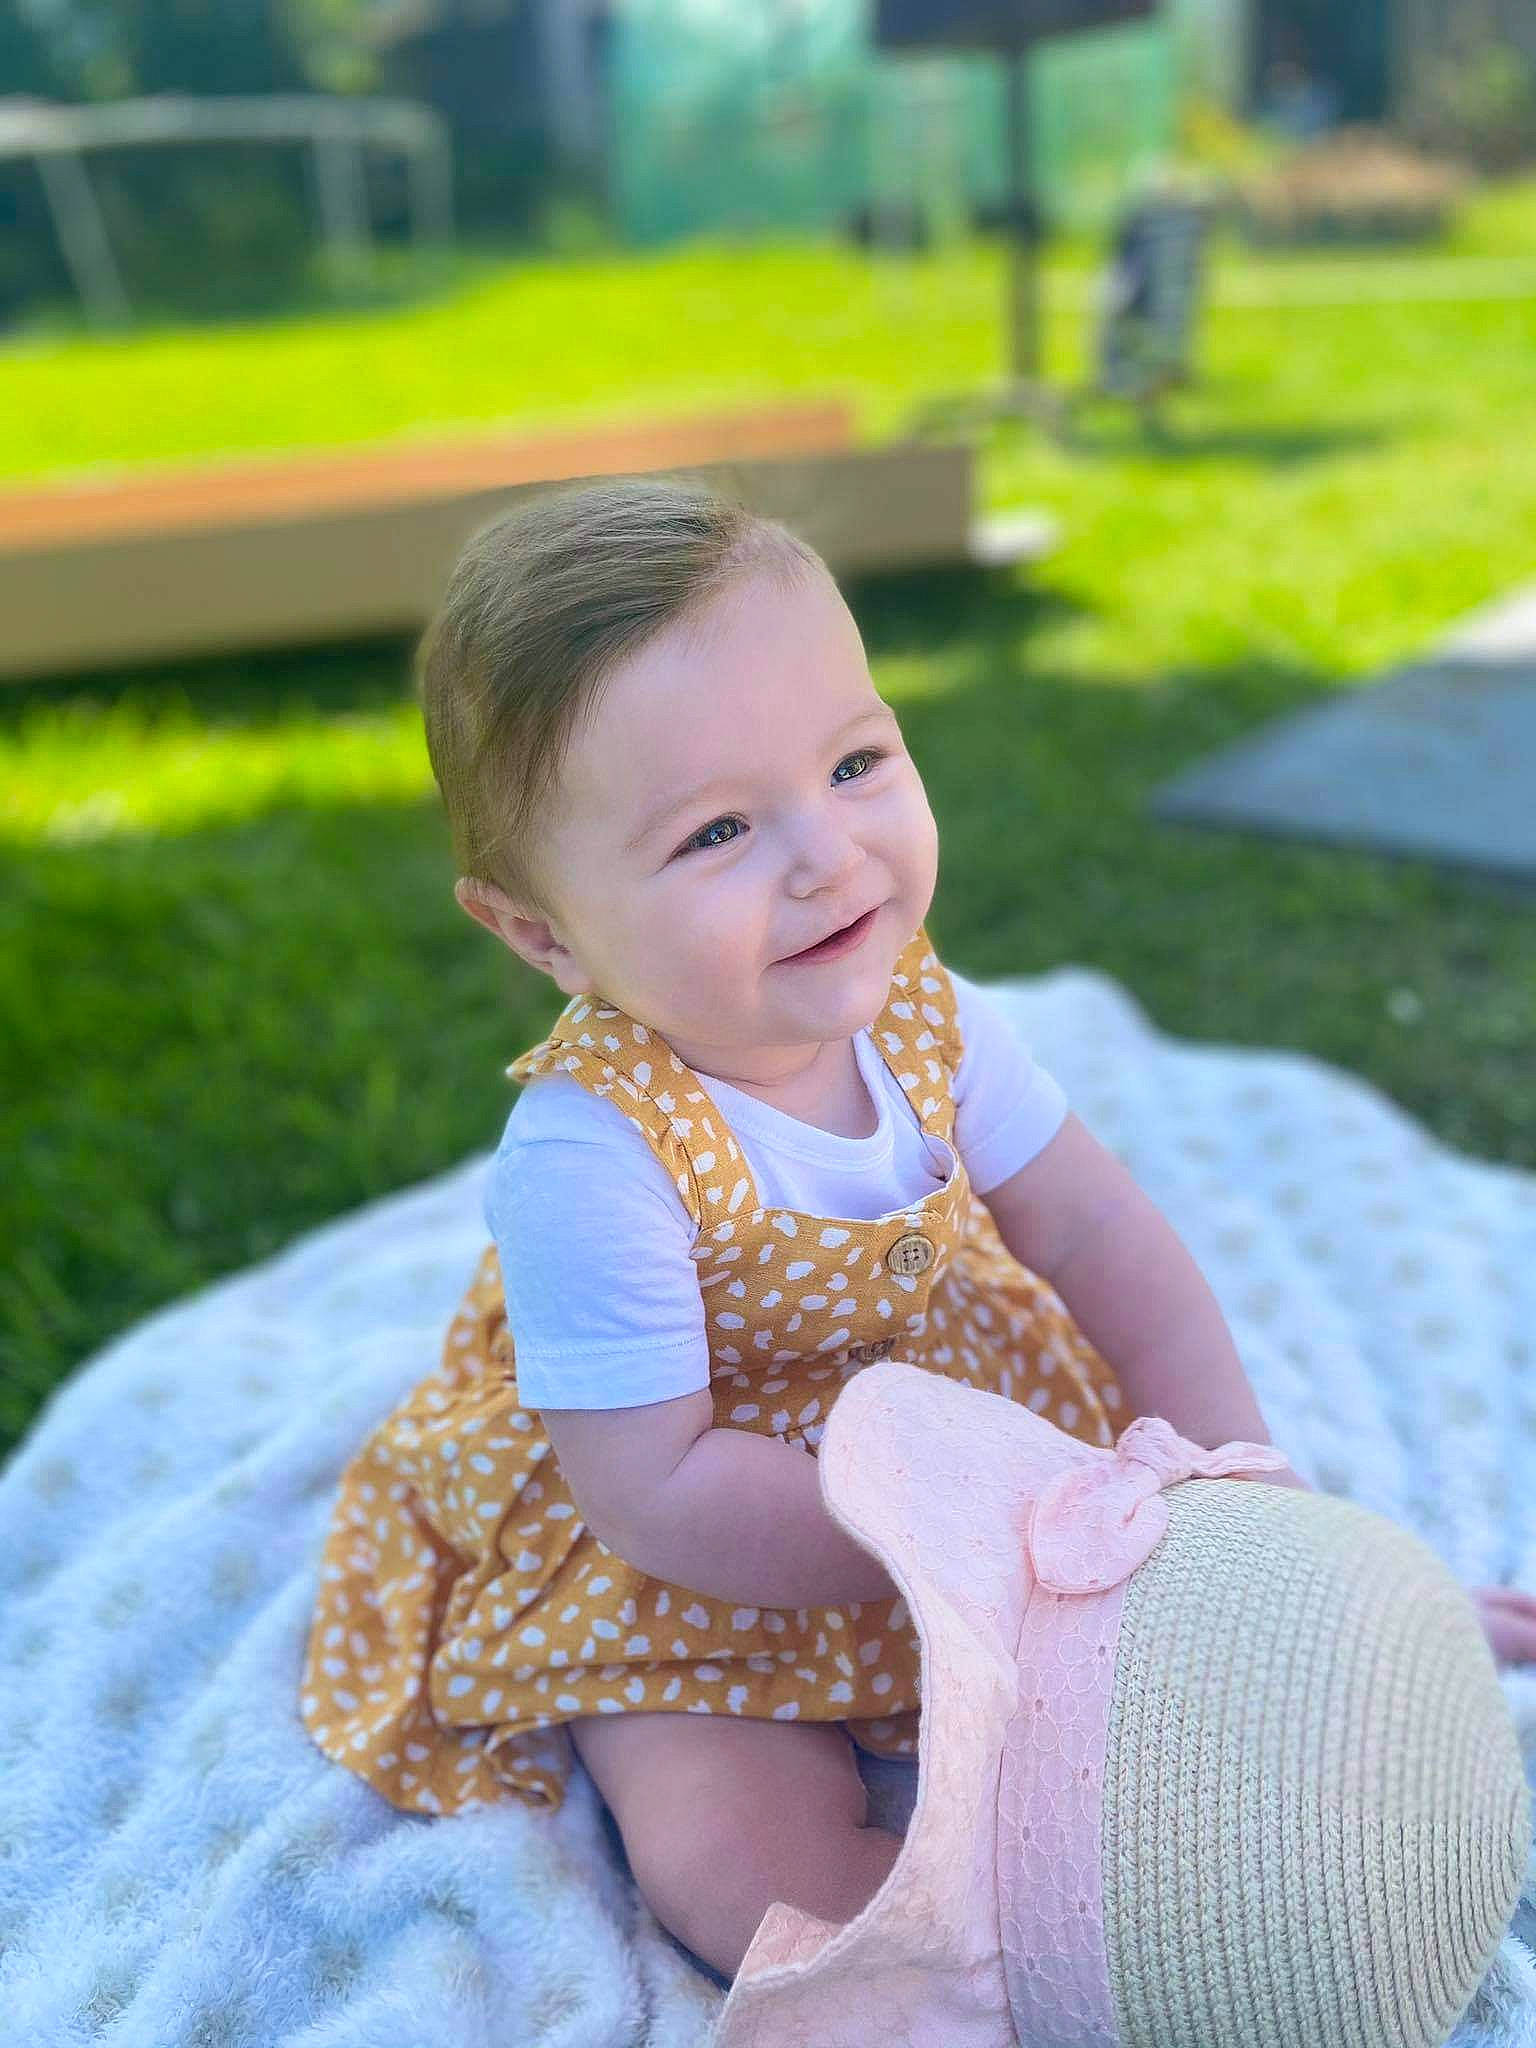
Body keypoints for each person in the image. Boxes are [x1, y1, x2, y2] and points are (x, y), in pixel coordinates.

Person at [299, 473, 1536, 1985]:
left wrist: (1240, 1504)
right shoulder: (593, 1156)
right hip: (697, 1548)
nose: (826, 856)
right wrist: (968, 1554)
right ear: (541, 932)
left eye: (856, 761)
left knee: (1196, 1672)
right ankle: (936, 1978)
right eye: (717, 834)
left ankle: (1204, 1773)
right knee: (731, 1848)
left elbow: (1099, 1235)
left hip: (944, 1425)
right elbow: (655, 1493)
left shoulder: (924, 1017)